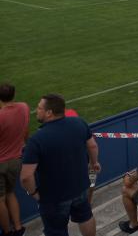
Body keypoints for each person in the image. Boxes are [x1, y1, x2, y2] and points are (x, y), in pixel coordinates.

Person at [21, 94, 100, 236]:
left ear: (49, 112)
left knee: (56, 231)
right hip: (80, 187)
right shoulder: (79, 122)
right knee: (86, 217)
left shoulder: (36, 140)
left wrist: (33, 193)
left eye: (39, 108)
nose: (36, 110)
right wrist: (94, 163)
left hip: (53, 197)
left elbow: (26, 177)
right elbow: (92, 146)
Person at [0, 84, 29, 236]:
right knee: (10, 193)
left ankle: (7, 232)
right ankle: (18, 228)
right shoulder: (23, 107)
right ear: (14, 94)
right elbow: (25, 130)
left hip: (1, 163)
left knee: (0, 199)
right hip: (16, 160)